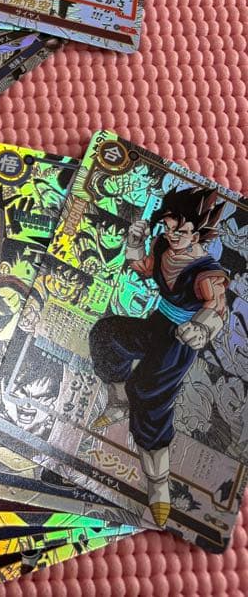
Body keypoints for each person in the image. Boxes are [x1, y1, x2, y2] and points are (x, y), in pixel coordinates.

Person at [90, 187, 229, 527]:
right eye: (168, 227)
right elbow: (143, 267)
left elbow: (217, 308)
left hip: (179, 343)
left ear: (198, 232)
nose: (171, 235)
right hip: (157, 325)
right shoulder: (164, 246)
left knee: (148, 395)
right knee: (106, 335)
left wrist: (202, 328)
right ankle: (119, 401)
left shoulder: (207, 273)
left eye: (180, 230)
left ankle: (158, 486)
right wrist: (136, 242)